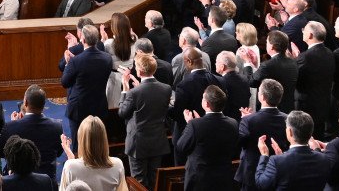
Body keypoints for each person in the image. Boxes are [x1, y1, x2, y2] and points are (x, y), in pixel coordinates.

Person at [118, 53, 172, 188]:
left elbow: (122, 113)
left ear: (140, 71)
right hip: (157, 141)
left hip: (138, 144)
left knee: (139, 182)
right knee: (155, 180)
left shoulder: (133, 93)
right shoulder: (166, 89)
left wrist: (125, 89)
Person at [175, 85, 239, 190]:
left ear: (206, 104)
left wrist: (190, 124)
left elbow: (181, 146)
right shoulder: (233, 123)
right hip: (223, 178)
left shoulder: (194, 125)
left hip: (200, 179)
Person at [254, 110, 332, 189]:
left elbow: (261, 184)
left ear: (290, 131)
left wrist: (264, 155)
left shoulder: (276, 161)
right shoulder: (324, 159)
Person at [61, 25, 112, 142]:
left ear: (83, 40)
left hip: (79, 108)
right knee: (96, 142)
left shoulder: (75, 61)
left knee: (78, 143)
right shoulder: (107, 58)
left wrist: (69, 64)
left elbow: (65, 82)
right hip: (99, 106)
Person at [59, 115, 127, 189]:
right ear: (104, 139)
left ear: (81, 140)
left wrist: (71, 161)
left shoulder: (70, 167)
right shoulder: (117, 164)